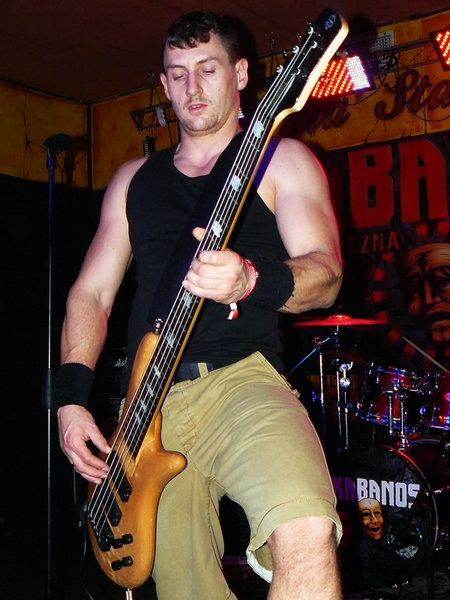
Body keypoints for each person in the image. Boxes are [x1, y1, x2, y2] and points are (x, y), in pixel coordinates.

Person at [56, 10, 343, 600]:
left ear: (241, 74)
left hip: (242, 381)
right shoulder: (132, 180)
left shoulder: (282, 160)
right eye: (178, 73)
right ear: (164, 84)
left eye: (208, 69)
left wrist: (250, 280)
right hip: (146, 412)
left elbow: (327, 275)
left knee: (306, 526)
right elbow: (91, 293)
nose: (192, 86)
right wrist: (68, 400)